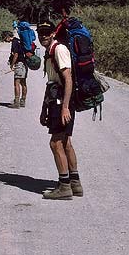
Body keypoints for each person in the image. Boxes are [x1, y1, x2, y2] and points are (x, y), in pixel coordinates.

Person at [37, 20, 82, 200]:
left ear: (54, 33)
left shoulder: (59, 50)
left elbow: (67, 79)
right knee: (65, 143)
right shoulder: (50, 52)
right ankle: (75, 184)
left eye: (47, 32)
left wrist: (64, 107)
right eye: (41, 33)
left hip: (62, 101)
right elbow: (51, 83)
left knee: (55, 143)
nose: (44, 36)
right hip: (57, 100)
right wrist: (43, 109)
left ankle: (64, 187)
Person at [8, 31, 29, 108]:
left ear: (7, 37)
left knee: (16, 83)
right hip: (25, 64)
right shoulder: (19, 40)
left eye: (4, 38)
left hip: (19, 65)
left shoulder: (14, 42)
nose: (5, 40)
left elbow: (16, 54)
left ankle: (16, 103)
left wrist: (12, 64)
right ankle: (23, 101)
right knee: (23, 83)